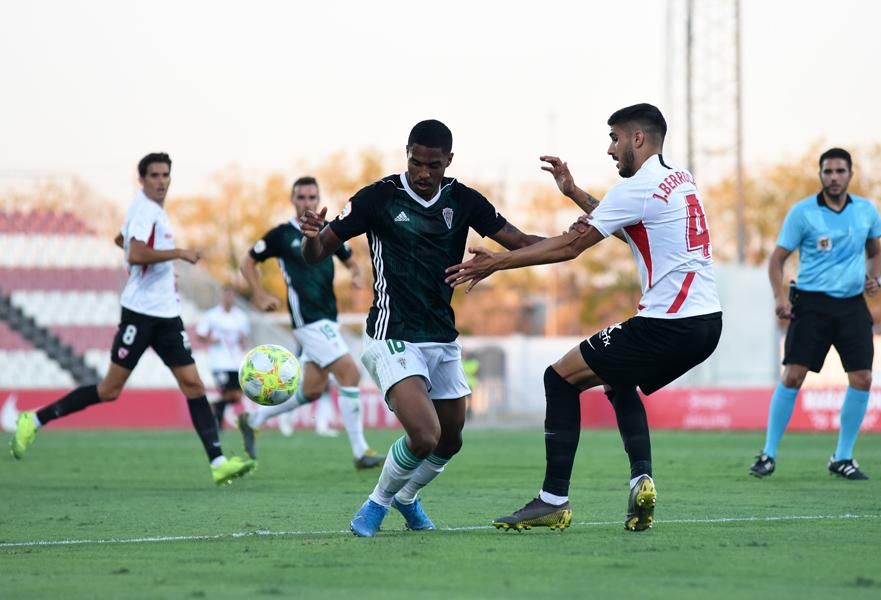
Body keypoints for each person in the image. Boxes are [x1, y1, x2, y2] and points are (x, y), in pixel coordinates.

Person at [445, 103, 723, 532]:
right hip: (707, 323)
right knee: (617, 378)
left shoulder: (638, 187)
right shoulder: (679, 179)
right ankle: (641, 480)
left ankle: (553, 500)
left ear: (637, 139)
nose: (610, 149)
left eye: (614, 138)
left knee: (559, 378)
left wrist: (497, 262)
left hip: (668, 323)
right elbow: (626, 220)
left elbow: (569, 246)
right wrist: (573, 191)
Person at [299, 119, 546, 537]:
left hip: (441, 338)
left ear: (449, 160)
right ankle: (375, 506)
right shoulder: (378, 198)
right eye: (417, 163)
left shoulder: (464, 200)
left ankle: (406, 498)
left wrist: (575, 241)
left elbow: (520, 242)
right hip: (390, 334)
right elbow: (317, 252)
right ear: (407, 154)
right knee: (425, 434)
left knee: (451, 440)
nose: (424, 173)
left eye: (434, 165)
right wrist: (311, 236)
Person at [9, 153, 256, 485]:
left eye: (165, 174)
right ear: (142, 179)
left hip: (167, 316)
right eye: (154, 175)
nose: (161, 180)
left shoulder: (149, 212)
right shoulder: (145, 209)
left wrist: (162, 270)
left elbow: (123, 242)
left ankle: (218, 463)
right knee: (110, 389)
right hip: (140, 315)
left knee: (194, 385)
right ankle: (34, 420)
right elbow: (136, 252)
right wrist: (178, 254)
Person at [749, 148, 881, 481]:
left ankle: (843, 457)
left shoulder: (866, 211)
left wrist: (875, 277)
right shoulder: (803, 213)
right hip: (811, 305)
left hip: (852, 305)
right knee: (793, 375)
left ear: (850, 174)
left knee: (863, 378)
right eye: (828, 171)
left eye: (840, 171)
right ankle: (768, 454)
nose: (834, 177)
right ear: (820, 175)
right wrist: (780, 297)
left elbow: (876, 251)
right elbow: (776, 260)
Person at [238, 176, 384, 469]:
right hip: (308, 320)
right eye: (301, 197)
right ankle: (360, 451)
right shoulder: (281, 235)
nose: (307, 202)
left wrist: (356, 273)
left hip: (328, 317)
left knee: (312, 390)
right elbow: (248, 262)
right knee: (350, 374)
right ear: (293, 201)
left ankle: (254, 419)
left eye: (311, 197)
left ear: (318, 200)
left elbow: (350, 258)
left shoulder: (326, 232)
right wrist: (259, 293)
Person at [195, 284, 251, 430]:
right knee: (227, 392)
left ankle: (216, 406)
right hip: (219, 362)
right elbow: (200, 334)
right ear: (222, 296)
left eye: (231, 295)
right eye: (227, 294)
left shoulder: (241, 317)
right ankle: (218, 425)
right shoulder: (212, 315)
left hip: (236, 362)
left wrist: (244, 348)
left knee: (237, 396)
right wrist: (210, 340)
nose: (229, 298)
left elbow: (243, 338)